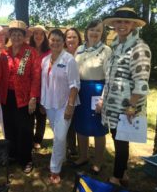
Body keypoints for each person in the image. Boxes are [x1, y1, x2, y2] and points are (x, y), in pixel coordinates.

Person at [101, 7, 151, 186]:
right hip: (113, 105)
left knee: (121, 142)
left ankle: (116, 178)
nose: (122, 25)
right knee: (119, 140)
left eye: (126, 21)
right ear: (113, 24)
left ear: (133, 24)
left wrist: (132, 106)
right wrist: (103, 99)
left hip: (126, 106)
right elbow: (110, 78)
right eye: (118, 21)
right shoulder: (116, 46)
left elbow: (141, 81)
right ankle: (124, 174)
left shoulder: (139, 47)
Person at [40, 29, 80, 184]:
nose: (55, 42)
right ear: (48, 41)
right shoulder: (45, 60)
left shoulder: (69, 60)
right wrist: (43, 103)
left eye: (58, 40)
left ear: (63, 42)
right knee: (58, 134)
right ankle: (61, 157)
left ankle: (55, 169)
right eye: (52, 40)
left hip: (65, 104)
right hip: (50, 104)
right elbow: (44, 83)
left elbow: (75, 85)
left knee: (59, 136)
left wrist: (70, 105)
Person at [72, 20, 112, 175]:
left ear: (102, 33)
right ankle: (83, 156)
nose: (95, 33)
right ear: (87, 31)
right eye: (92, 30)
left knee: (99, 128)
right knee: (80, 126)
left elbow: (109, 78)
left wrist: (103, 98)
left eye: (98, 30)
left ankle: (99, 161)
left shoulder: (106, 50)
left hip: (97, 91)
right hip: (80, 91)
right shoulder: (80, 49)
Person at [1, 20, 40, 174]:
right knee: (9, 127)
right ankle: (12, 155)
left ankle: (26, 159)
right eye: (13, 34)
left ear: (24, 36)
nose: (16, 37)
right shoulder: (5, 52)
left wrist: (33, 98)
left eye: (19, 34)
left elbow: (36, 77)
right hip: (7, 96)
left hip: (24, 97)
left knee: (25, 129)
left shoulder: (31, 52)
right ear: (9, 35)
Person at [28, 25, 50, 149]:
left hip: (44, 87)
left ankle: (38, 139)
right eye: (36, 33)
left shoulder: (49, 51)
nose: (38, 36)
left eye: (41, 33)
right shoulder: (28, 50)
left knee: (41, 115)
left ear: (44, 36)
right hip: (30, 87)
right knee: (30, 115)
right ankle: (29, 138)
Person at [64, 27, 82, 157]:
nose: (71, 40)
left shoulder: (83, 52)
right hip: (66, 92)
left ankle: (82, 149)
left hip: (83, 90)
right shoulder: (62, 53)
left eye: (74, 37)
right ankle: (70, 147)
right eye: (69, 37)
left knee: (79, 120)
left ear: (79, 39)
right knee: (68, 120)